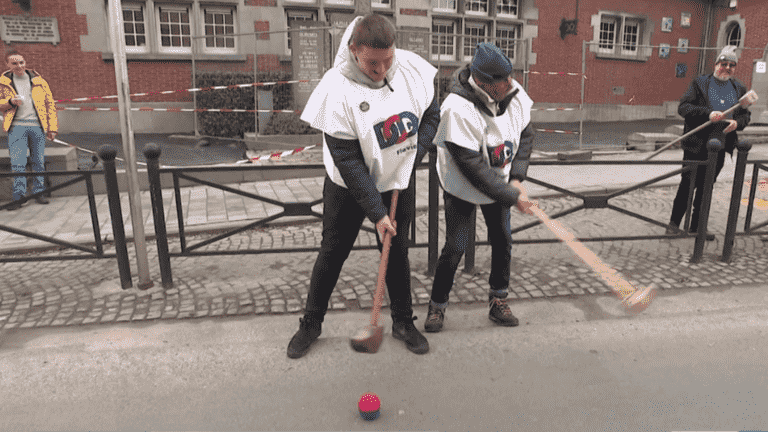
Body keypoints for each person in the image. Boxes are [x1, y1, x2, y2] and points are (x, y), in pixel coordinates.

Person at [287, 14, 439, 358]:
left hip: (398, 178)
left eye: (388, 60)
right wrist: (377, 213)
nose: (381, 69)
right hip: (348, 188)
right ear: (354, 50)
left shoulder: (412, 70)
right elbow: (349, 161)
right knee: (333, 252)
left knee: (397, 253)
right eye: (373, 62)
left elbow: (432, 114)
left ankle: (402, 321)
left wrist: (415, 153)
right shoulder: (335, 90)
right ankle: (310, 323)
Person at [425, 42, 536, 333]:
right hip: (462, 185)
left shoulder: (513, 93)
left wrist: (517, 179)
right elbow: (473, 169)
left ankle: (498, 300)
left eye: (510, 76)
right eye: (504, 79)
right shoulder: (455, 109)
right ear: (484, 82)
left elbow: (525, 136)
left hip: (500, 181)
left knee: (503, 240)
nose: (511, 83)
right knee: (456, 246)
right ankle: (437, 305)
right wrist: (513, 195)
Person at [667, 46, 753, 235]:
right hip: (696, 145)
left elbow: (745, 116)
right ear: (716, 65)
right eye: (724, 64)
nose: (727, 68)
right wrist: (708, 114)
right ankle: (673, 225)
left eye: (732, 65)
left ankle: (697, 227)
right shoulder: (700, 83)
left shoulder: (739, 88)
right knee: (688, 184)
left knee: (707, 187)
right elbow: (684, 108)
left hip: (720, 146)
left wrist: (737, 124)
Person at [0, 49, 58, 210]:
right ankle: (19, 196)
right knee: (18, 163)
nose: (19, 66)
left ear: (25, 62)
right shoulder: (3, 82)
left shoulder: (39, 81)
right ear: (7, 65)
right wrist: (10, 102)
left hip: (37, 126)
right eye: (14, 63)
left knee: (38, 161)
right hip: (16, 126)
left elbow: (50, 105)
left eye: (21, 62)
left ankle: (38, 192)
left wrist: (52, 128)